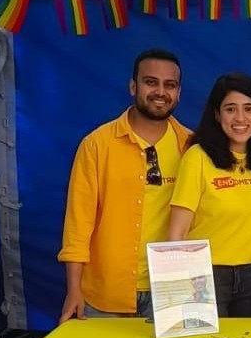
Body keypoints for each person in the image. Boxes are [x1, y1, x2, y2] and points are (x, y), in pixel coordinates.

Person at [58, 48, 190, 322]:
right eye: (150, 82)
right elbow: (78, 224)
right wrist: (73, 290)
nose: (160, 92)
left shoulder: (192, 147)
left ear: (179, 92)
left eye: (170, 85)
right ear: (133, 86)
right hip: (104, 295)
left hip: (171, 291)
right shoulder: (97, 145)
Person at [168, 72, 251, 317]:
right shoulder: (197, 157)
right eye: (230, 109)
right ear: (217, 114)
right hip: (202, 276)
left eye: (249, 109)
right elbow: (177, 233)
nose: (240, 118)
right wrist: (180, 286)